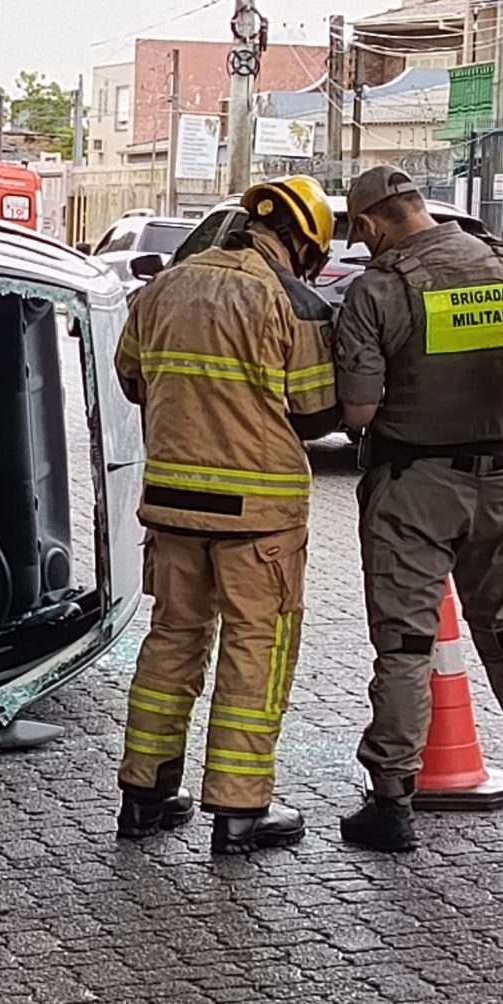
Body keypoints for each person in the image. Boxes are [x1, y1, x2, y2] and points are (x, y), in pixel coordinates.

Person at [331, 166, 503, 852]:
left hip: (415, 482)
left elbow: (358, 408)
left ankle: (391, 803)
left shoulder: (380, 288)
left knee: (408, 644)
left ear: (369, 225)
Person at [113, 175, 339, 856]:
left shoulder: (164, 287)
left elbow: (130, 377)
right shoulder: (287, 298)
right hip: (257, 519)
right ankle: (240, 814)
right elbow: (317, 411)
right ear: (303, 243)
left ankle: (144, 798)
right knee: (254, 652)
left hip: (173, 504)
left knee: (171, 642)